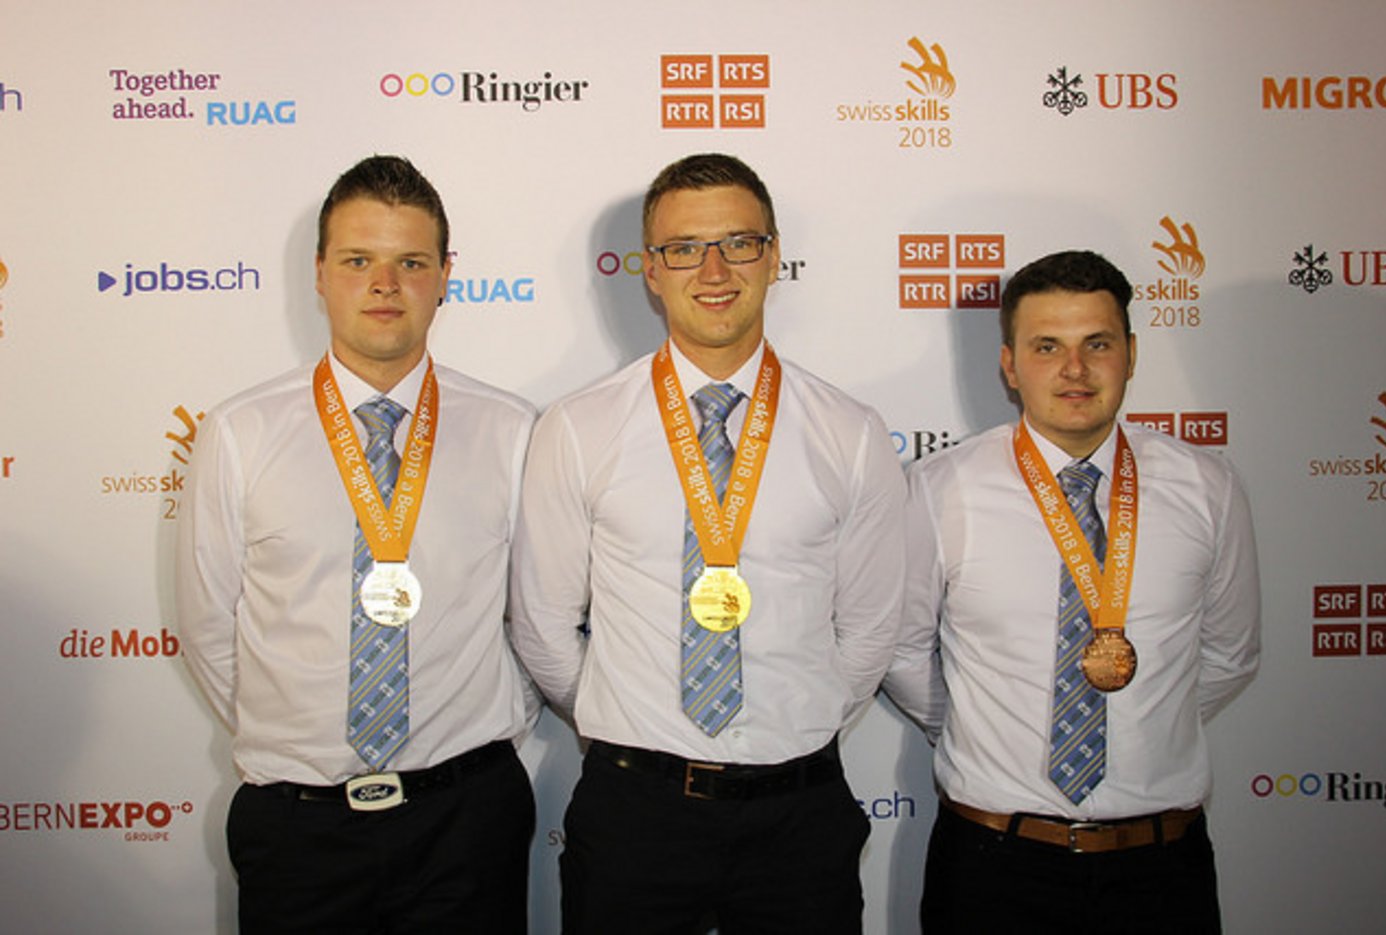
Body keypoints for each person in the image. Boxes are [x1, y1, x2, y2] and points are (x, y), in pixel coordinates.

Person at [510, 152, 905, 933]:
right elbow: (544, 625)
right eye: (685, 248)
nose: (714, 268)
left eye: (739, 242)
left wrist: (795, 726)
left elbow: (868, 633)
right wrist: (631, 730)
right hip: (635, 814)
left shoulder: (850, 432)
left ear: (774, 256)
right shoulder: (579, 427)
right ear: (650, 271)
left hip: (800, 814)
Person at [175, 155, 537, 933]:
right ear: (318, 273)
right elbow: (210, 628)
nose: (385, 284)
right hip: (299, 829)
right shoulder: (240, 432)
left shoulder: (511, 430)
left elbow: (537, 616)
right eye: (358, 260)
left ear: (446, 275)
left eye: (410, 261)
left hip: (465, 821)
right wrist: (296, 740)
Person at [883, 249, 1261, 933]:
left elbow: (1231, 653)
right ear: (1009, 363)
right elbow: (902, 651)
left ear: (1131, 352)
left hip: (1161, 868)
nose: (1075, 369)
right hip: (992, 865)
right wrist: (979, 729)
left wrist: (1146, 718)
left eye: (1097, 343)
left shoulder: (1208, 486)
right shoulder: (940, 490)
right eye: (1046, 346)